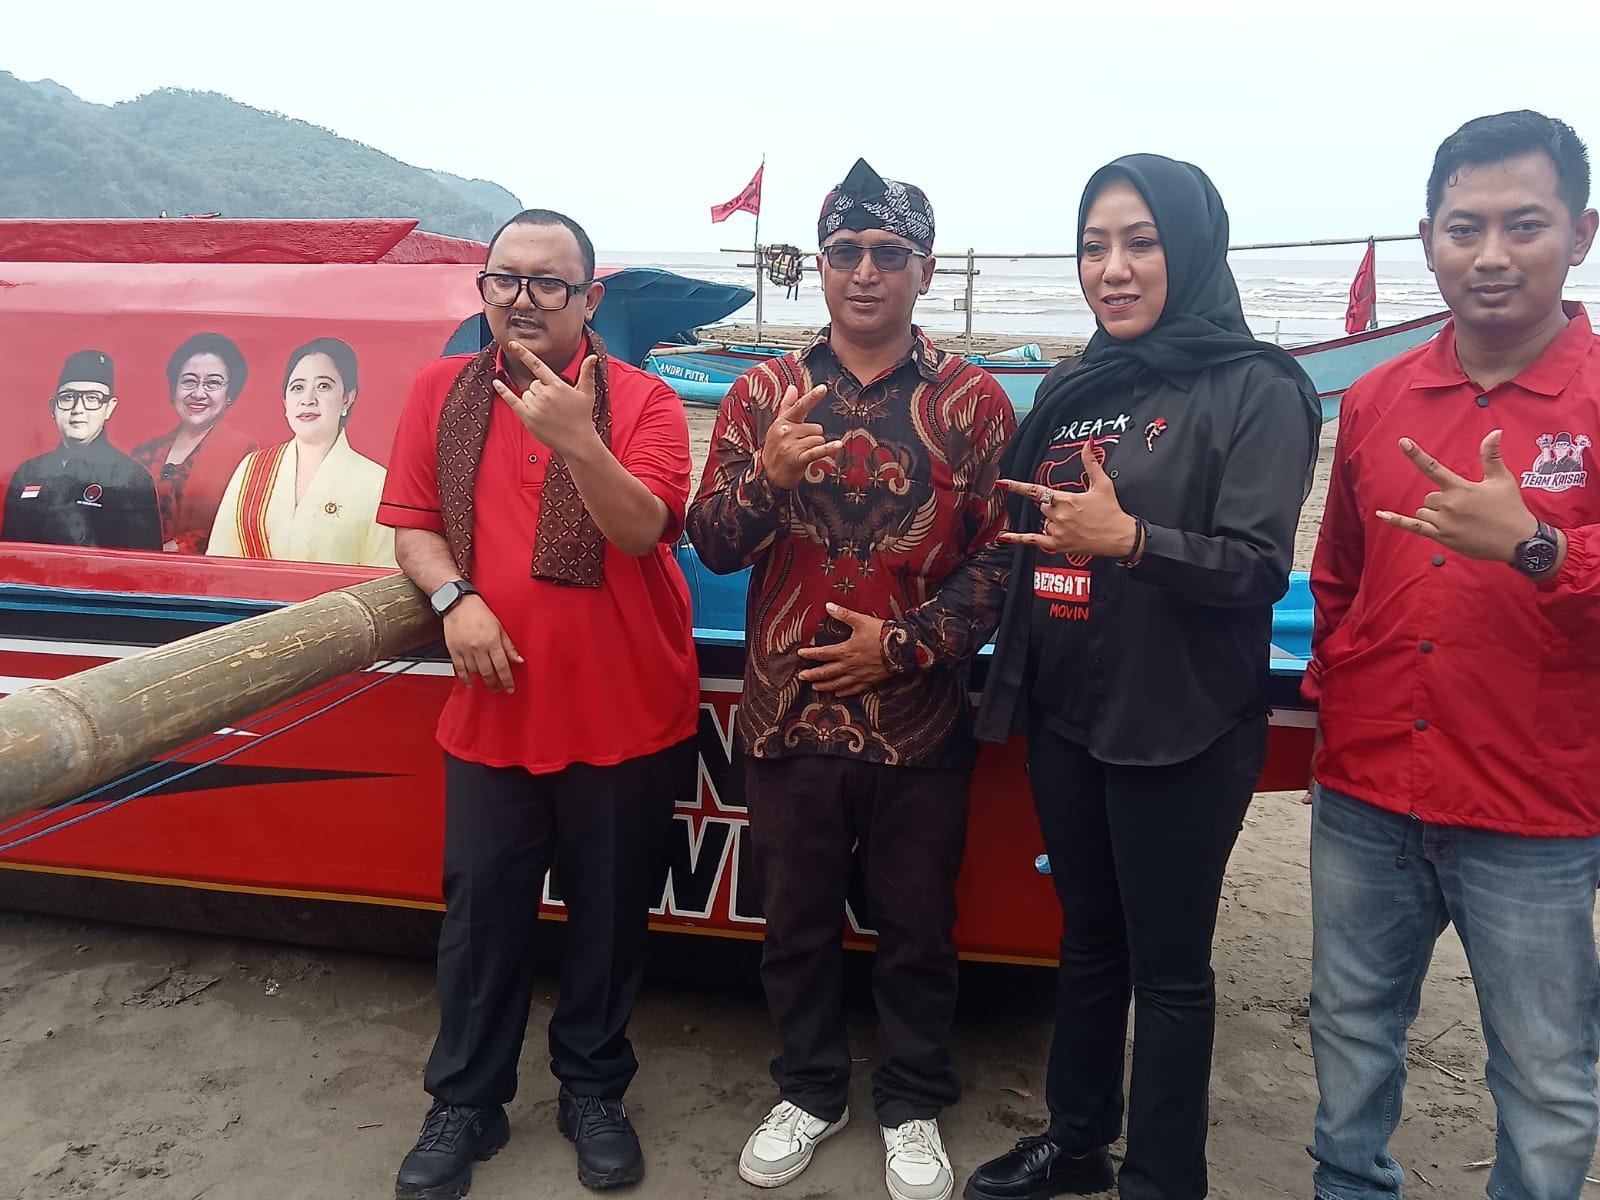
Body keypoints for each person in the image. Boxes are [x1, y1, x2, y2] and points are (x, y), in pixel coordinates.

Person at [965, 155, 1320, 1200]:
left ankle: (1163, 1178)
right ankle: (1077, 1140)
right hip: (1069, 710)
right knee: (1086, 941)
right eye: (1093, 246)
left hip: (1182, 721)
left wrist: (1132, 541)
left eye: (1140, 242)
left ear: (1192, 247)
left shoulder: (1258, 387)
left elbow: (1257, 566)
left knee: (1168, 969)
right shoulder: (1076, 386)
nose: (1111, 269)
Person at [687, 158, 1016, 1200]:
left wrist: (904, 645)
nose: (864, 272)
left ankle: (911, 1103)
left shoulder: (972, 402)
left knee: (917, 929)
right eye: (843, 252)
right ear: (818, 267)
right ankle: (810, 1091)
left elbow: (1001, 561)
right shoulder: (763, 393)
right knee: (792, 926)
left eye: (887, 253)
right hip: (786, 713)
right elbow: (711, 540)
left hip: (917, 717)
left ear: (925, 269)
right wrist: (766, 478)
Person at [1305, 110, 1600, 1200]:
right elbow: (1338, 577)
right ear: (1427, 237)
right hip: (1368, 789)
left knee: (1546, 1074)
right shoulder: (1379, 397)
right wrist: (1339, 684)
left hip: (1534, 807)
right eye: (1464, 227)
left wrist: (1538, 547)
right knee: (1349, 1033)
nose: (1490, 255)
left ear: (1580, 234)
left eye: (1524, 224)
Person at [377, 209, 699, 1199]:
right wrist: (453, 599)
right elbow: (415, 526)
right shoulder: (440, 390)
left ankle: (593, 1092)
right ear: (482, 289)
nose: (522, 299)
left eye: (548, 283)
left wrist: (577, 440)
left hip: (627, 709)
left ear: (589, 298)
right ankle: (465, 1103)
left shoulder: (645, 401)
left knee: (609, 921)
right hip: (494, 709)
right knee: (480, 922)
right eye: (503, 279)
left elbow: (643, 530)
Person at [207, 337, 395, 567]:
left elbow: (383, 579)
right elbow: (219, 563)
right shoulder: (252, 469)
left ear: (347, 398)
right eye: (297, 388)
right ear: (286, 402)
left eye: (323, 386)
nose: (307, 400)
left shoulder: (375, 482)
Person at [2, 349, 162, 550]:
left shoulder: (131, 478)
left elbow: (139, 563)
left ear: (109, 407)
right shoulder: (28, 472)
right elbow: (9, 552)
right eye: (68, 397)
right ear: (53, 407)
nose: (78, 409)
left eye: (92, 398)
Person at [131, 332, 257, 553]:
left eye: (213, 383)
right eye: (189, 381)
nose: (198, 393)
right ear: (174, 389)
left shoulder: (246, 454)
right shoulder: (145, 452)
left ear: (229, 394)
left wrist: (176, 548)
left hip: (200, 571)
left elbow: (240, 530)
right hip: (130, 568)